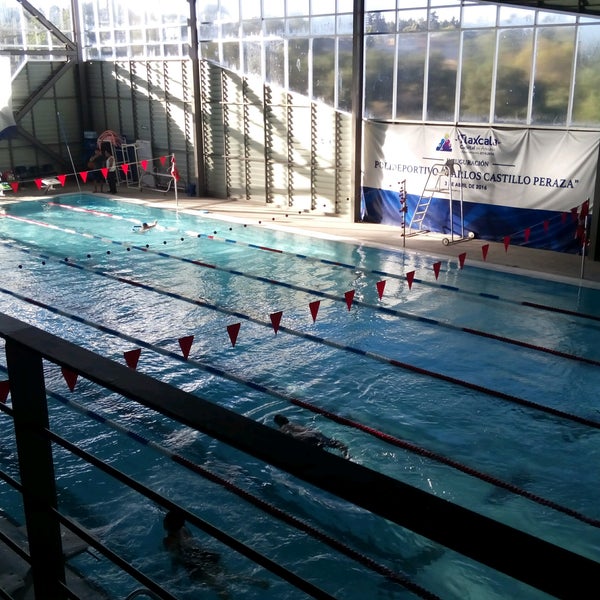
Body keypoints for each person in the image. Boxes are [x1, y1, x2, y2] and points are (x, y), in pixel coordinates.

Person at [273, 414, 349, 458]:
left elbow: (288, 435)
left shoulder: (282, 428)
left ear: (278, 423)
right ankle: (347, 456)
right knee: (339, 445)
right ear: (287, 419)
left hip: (307, 439)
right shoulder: (294, 424)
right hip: (315, 433)